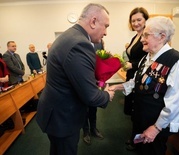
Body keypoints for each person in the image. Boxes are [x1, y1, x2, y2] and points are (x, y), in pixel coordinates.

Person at [36, 3, 114, 155]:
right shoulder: (80, 44)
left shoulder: (70, 35)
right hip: (63, 117)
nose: (106, 32)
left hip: (56, 111)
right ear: (93, 21)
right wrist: (107, 95)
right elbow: (91, 96)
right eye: (105, 26)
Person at [109, 16, 179, 155]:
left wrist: (156, 128)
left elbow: (175, 102)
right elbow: (136, 82)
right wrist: (116, 87)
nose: (141, 39)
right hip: (142, 117)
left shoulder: (177, 61)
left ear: (162, 37)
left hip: (156, 123)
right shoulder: (147, 57)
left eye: (146, 35)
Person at [123, 7, 149, 151]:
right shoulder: (136, 36)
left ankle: (138, 140)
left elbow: (147, 59)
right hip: (132, 74)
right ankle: (135, 136)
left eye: (139, 19)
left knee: (138, 109)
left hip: (140, 76)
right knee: (133, 109)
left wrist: (131, 64)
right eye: (133, 20)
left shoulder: (146, 36)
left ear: (146, 20)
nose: (136, 23)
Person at [82, 39, 105, 145]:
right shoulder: (80, 41)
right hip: (82, 81)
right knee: (83, 109)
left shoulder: (99, 42)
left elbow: (102, 64)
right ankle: (86, 131)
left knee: (93, 108)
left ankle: (94, 129)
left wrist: (101, 82)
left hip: (95, 82)